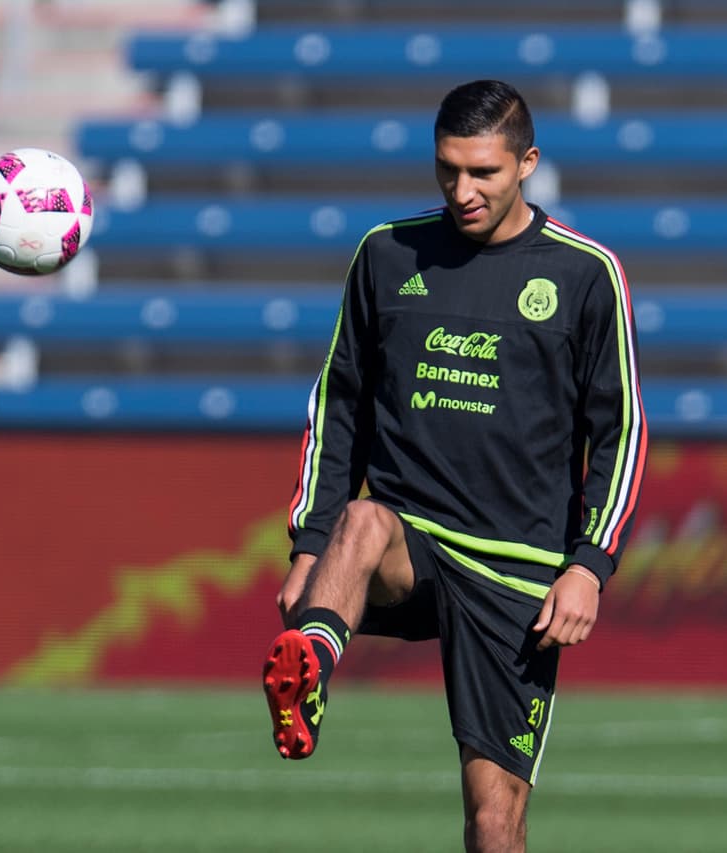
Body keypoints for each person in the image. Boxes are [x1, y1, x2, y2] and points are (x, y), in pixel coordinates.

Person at [262, 79, 647, 852]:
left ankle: (317, 643)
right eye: (447, 169)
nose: (461, 190)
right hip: (412, 540)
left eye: (483, 173)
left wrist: (589, 565)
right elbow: (338, 405)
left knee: (494, 822)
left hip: (516, 574)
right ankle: (310, 660)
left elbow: (622, 430)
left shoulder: (584, 273)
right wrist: (311, 545)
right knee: (363, 519)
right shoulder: (386, 254)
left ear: (527, 163)